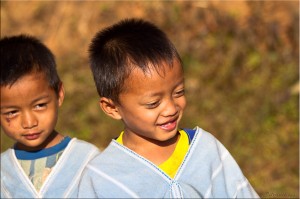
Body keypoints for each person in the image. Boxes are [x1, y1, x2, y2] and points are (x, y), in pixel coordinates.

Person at [78, 18, 259, 198]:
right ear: (112, 108)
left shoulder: (205, 150)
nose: (171, 109)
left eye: (179, 92)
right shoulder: (101, 178)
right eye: (153, 103)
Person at [0, 35, 100, 198]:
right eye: (12, 112)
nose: (29, 122)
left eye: (39, 105)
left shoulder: (88, 159)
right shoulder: (3, 171)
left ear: (59, 94)